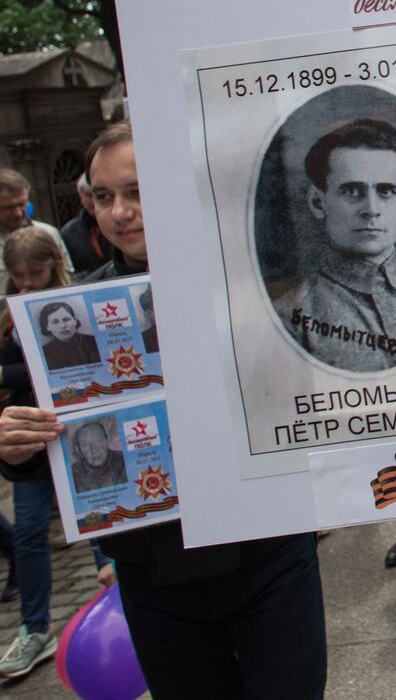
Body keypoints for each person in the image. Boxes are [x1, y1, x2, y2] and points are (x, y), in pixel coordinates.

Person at [0, 122, 327, 696]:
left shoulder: (253, 285)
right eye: (103, 197)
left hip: (267, 562)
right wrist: (15, 446)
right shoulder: (68, 319)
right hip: (153, 580)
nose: (120, 211)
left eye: (136, 190)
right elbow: (47, 438)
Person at [272, 119, 396, 372]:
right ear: (318, 202)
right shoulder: (287, 321)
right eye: (352, 191)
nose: (371, 210)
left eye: (386, 191)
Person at [0, 227, 72, 678]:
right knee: (28, 533)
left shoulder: (71, 306)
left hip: (68, 434)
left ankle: (121, 604)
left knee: (100, 532)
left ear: (54, 266)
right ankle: (34, 627)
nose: (26, 284)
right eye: (18, 277)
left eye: (35, 274)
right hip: (28, 445)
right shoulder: (9, 311)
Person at [0, 170, 74, 286]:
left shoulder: (49, 232)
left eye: (21, 204)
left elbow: (67, 277)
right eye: (9, 207)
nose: (18, 213)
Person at [59, 174, 113, 278]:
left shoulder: (120, 222)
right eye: (89, 195)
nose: (94, 201)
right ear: (81, 197)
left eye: (100, 196)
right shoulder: (68, 232)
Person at [36, 302, 100, 370]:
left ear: (75, 320)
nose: (63, 326)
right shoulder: (43, 353)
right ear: (47, 326)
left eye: (66, 319)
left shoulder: (95, 341)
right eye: (55, 322)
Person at [68, 419, 125, 493]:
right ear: (79, 450)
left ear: (106, 441)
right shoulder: (73, 474)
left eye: (98, 441)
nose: (94, 450)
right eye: (85, 445)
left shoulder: (124, 460)